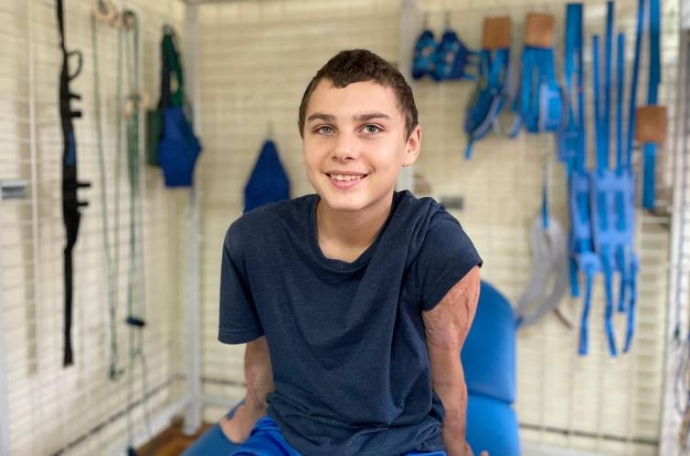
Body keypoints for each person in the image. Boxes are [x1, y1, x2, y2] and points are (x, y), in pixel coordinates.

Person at [218, 49, 484, 456]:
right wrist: (248, 417)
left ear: (410, 144)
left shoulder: (438, 246)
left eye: (371, 128)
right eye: (324, 128)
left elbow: (447, 374)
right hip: (289, 435)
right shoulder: (253, 239)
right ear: (304, 139)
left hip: (403, 443)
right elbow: (260, 353)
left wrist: (457, 447)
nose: (343, 149)